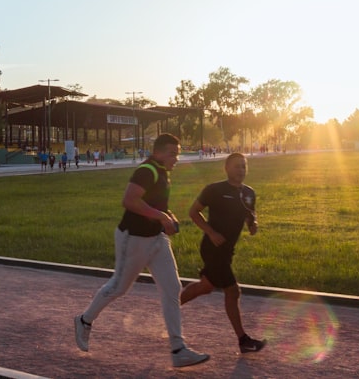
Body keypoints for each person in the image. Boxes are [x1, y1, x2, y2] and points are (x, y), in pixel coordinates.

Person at [74, 133, 210, 368]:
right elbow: (129, 200)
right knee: (119, 287)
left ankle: (178, 349)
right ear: (158, 152)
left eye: (177, 153)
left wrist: (168, 218)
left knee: (172, 288)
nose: (176, 158)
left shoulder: (162, 172)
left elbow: (157, 205)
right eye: (172, 153)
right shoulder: (147, 171)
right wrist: (161, 216)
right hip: (133, 238)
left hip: (156, 238)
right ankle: (84, 320)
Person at [180, 152, 267, 353]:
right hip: (212, 248)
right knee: (232, 290)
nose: (241, 170)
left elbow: (250, 216)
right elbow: (193, 212)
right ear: (226, 168)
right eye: (237, 166)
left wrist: (253, 224)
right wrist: (210, 232)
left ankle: (170, 309)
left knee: (206, 287)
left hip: (227, 250)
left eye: (244, 166)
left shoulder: (249, 193)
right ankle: (243, 340)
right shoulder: (214, 190)